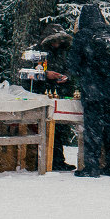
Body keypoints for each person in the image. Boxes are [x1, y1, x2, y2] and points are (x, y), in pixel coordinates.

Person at [69, 4, 110, 177]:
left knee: (93, 129)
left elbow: (73, 65)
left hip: (92, 90)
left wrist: (86, 73)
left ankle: (92, 166)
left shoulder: (83, 35)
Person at [36, 24, 75, 171]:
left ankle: (58, 159)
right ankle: (46, 159)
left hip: (60, 90)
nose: (56, 44)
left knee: (59, 128)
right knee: (46, 127)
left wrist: (66, 76)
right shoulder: (40, 52)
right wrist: (46, 74)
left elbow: (70, 68)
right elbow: (33, 71)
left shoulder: (63, 51)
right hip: (43, 91)